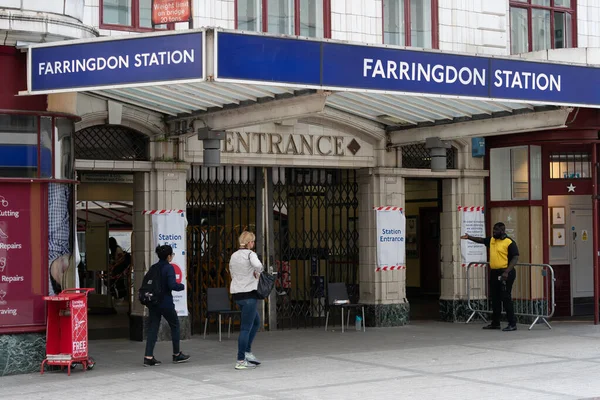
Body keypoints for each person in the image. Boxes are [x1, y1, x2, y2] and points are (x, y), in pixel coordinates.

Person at [461, 222, 519, 331]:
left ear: (502, 231)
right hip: (494, 272)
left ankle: (512, 323)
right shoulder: (492, 240)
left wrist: (507, 271)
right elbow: (481, 240)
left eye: (496, 230)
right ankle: (495, 323)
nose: (494, 232)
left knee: (506, 297)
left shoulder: (509, 242)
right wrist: (469, 237)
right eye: (493, 230)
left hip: (506, 272)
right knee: (495, 298)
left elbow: (515, 257)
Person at [144, 245, 190, 366]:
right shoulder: (168, 268)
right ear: (169, 256)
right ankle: (176, 354)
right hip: (165, 302)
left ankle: (148, 356)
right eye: (172, 255)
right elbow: (172, 285)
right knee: (175, 325)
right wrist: (182, 285)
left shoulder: (153, 267)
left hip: (153, 302)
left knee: (153, 328)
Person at [229, 231, 264, 370]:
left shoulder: (233, 256)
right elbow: (259, 266)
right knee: (245, 328)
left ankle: (247, 352)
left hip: (237, 294)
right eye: (253, 241)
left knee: (255, 322)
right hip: (249, 294)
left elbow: (232, 272)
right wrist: (256, 272)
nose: (253, 244)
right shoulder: (251, 254)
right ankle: (241, 359)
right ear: (249, 243)